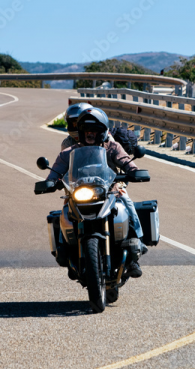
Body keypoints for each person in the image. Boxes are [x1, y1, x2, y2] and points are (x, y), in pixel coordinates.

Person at [47, 108, 145, 278]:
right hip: (79, 193)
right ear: (81, 132)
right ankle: (64, 250)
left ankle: (136, 244)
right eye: (87, 130)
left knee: (126, 203)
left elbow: (125, 161)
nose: (90, 134)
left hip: (110, 191)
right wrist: (49, 181)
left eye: (95, 130)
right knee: (64, 212)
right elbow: (56, 171)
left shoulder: (112, 146)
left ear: (102, 132)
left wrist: (134, 171)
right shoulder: (69, 152)